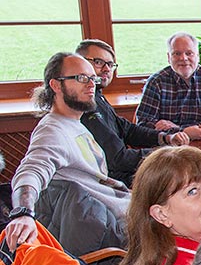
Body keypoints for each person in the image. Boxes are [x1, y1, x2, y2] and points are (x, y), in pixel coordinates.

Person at [6, 52, 130, 251]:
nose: (91, 85)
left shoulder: (74, 122)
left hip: (126, 209)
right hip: (120, 229)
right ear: (56, 85)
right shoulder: (52, 130)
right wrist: (22, 214)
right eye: (81, 78)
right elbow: (30, 171)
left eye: (93, 78)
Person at [75, 39, 190, 187]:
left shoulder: (97, 97)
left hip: (122, 174)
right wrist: (169, 153)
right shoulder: (82, 105)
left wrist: (167, 138)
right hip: (110, 184)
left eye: (110, 64)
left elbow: (127, 129)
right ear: (79, 64)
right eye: (98, 62)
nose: (106, 69)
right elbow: (118, 159)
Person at [135, 32, 201, 140]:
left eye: (189, 53)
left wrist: (179, 128)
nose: (183, 58)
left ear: (198, 56)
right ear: (168, 57)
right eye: (177, 53)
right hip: (169, 149)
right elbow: (143, 126)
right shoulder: (156, 82)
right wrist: (184, 132)